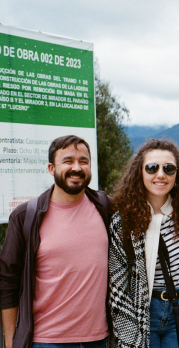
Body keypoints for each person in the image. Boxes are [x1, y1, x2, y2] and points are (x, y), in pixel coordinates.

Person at [0, 135, 111, 348]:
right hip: (46, 340)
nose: (76, 168)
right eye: (68, 161)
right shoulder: (26, 216)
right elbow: (7, 281)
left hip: (99, 340)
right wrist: (11, 341)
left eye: (83, 161)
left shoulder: (105, 207)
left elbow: (145, 205)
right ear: (51, 168)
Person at [107, 139, 179, 348]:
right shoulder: (123, 222)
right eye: (151, 168)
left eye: (168, 169)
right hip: (142, 314)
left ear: (178, 175)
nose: (160, 175)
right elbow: (117, 287)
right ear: (139, 173)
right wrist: (130, 336)